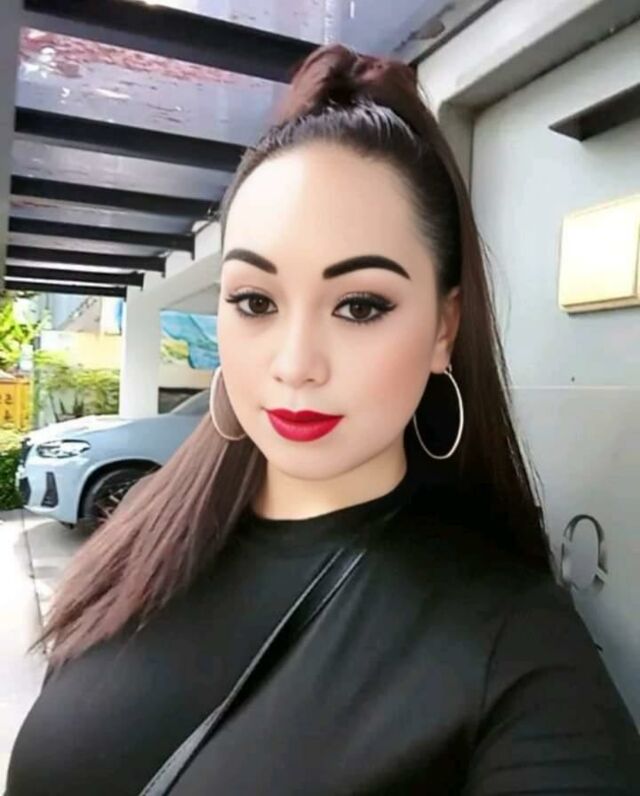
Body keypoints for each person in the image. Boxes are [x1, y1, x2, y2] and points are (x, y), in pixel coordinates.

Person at [6, 44, 639, 796]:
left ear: (443, 328)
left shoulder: (515, 646)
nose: (295, 363)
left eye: (359, 305)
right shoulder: (148, 530)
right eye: (255, 301)